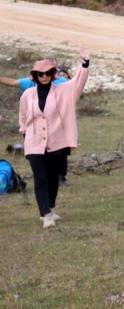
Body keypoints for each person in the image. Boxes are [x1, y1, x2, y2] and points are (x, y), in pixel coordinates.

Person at [19, 51, 90, 228]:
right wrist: (25, 132)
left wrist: (85, 65)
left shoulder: (63, 90)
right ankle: (45, 214)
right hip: (34, 143)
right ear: (35, 76)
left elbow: (78, 83)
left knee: (54, 177)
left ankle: (50, 207)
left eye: (47, 73)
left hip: (57, 142)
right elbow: (22, 116)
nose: (44, 77)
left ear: (53, 74)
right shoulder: (27, 95)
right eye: (40, 74)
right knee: (40, 177)